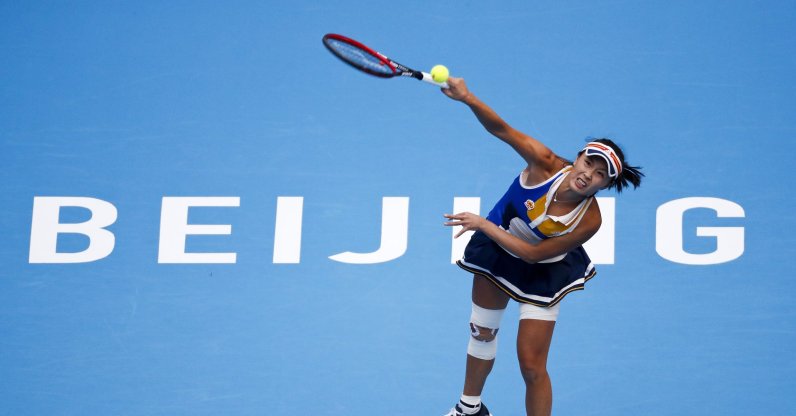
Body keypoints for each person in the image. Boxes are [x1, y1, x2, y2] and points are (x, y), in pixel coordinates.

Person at [440, 77, 643, 416]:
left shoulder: (590, 220)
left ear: (606, 185)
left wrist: (483, 224)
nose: (588, 174)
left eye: (599, 174)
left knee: (532, 365)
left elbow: (532, 254)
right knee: (482, 331)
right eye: (588, 162)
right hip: (497, 255)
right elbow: (502, 129)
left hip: (544, 271)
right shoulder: (543, 163)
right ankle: (469, 409)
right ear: (578, 158)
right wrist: (467, 97)